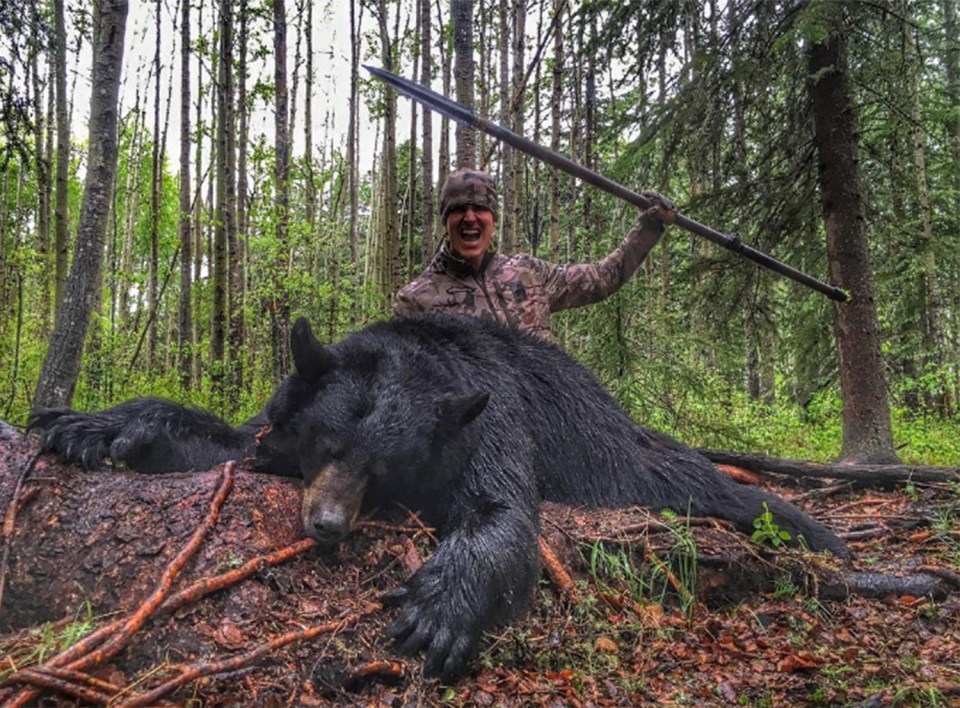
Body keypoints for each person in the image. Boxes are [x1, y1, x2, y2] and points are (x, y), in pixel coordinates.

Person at [393, 168, 676, 341]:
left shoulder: (528, 273)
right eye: (458, 210)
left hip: (549, 422)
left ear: (493, 218)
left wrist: (650, 228)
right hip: (483, 436)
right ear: (445, 220)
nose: (470, 218)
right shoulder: (417, 301)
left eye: (479, 208)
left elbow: (601, 279)